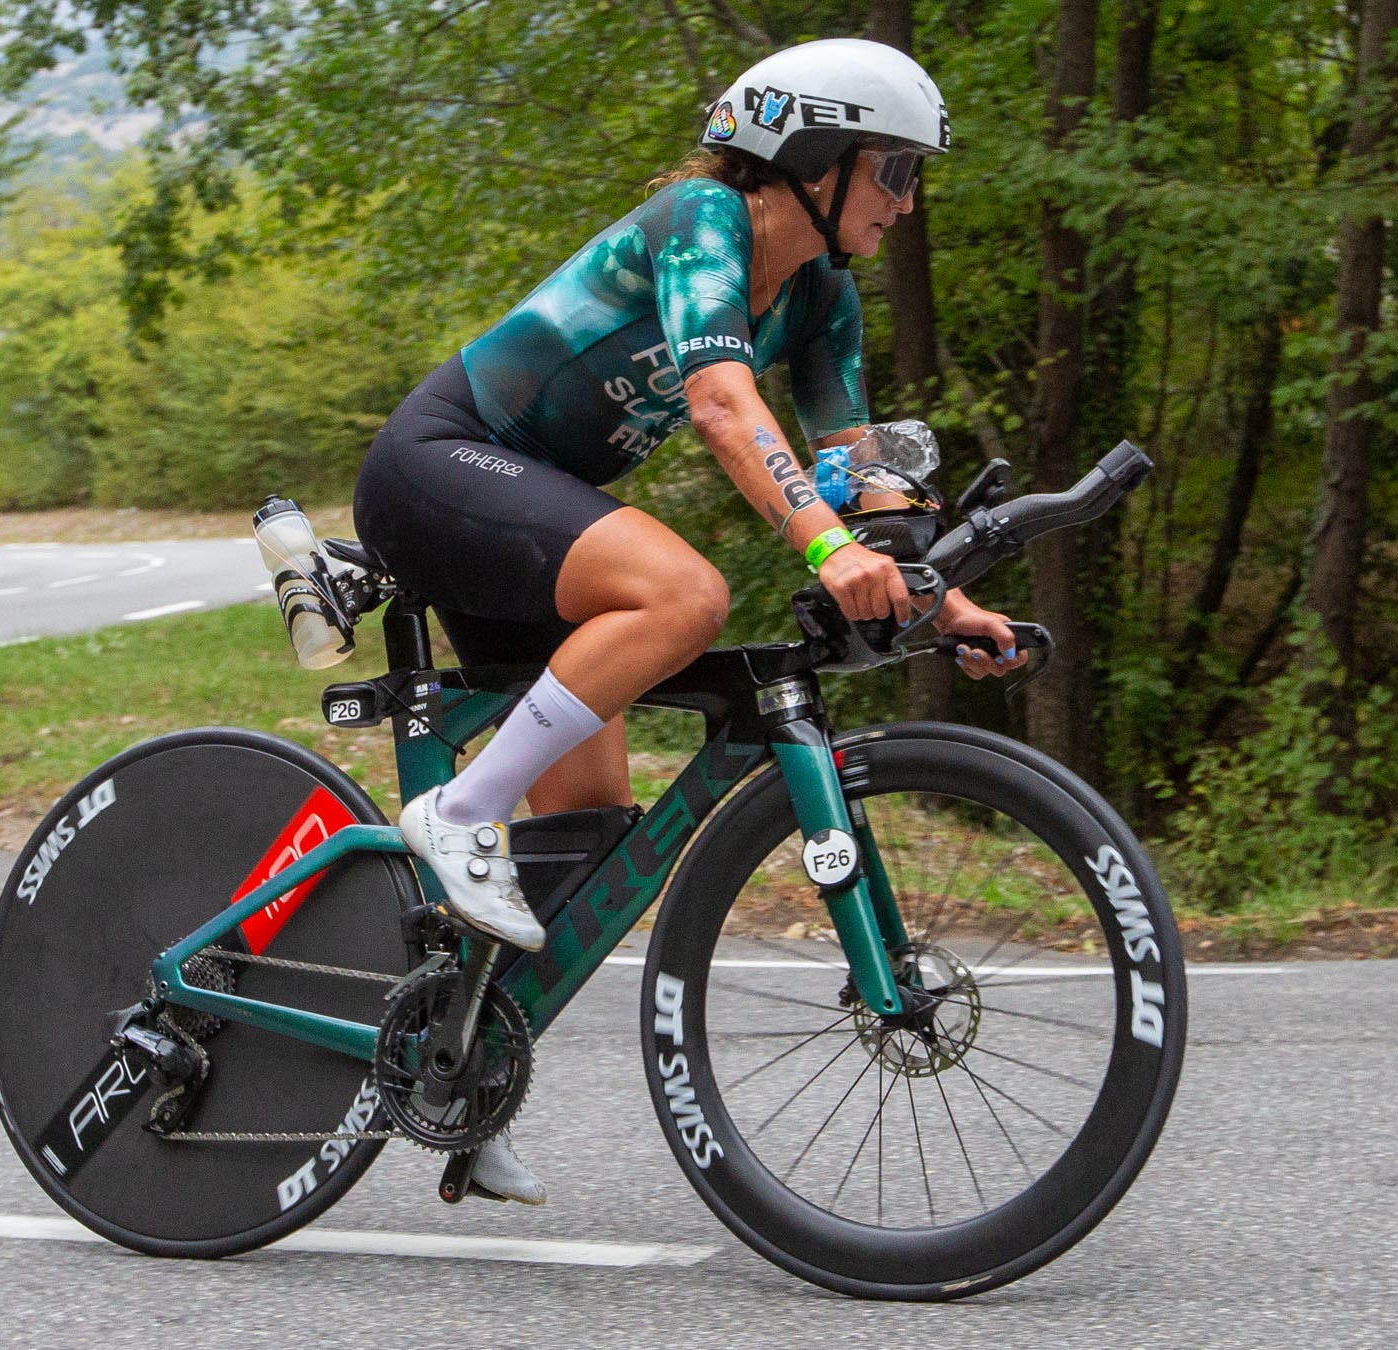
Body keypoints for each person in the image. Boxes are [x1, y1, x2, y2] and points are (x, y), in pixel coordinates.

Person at [351, 37, 1028, 1205]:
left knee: (594, 834)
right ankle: (457, 811)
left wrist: (940, 596)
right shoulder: (700, 217)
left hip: (525, 518)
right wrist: (822, 547)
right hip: (439, 468)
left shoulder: (821, 297)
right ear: (812, 156)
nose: (909, 204)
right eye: (896, 173)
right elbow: (722, 403)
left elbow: (858, 476)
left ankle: (456, 1073)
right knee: (685, 594)